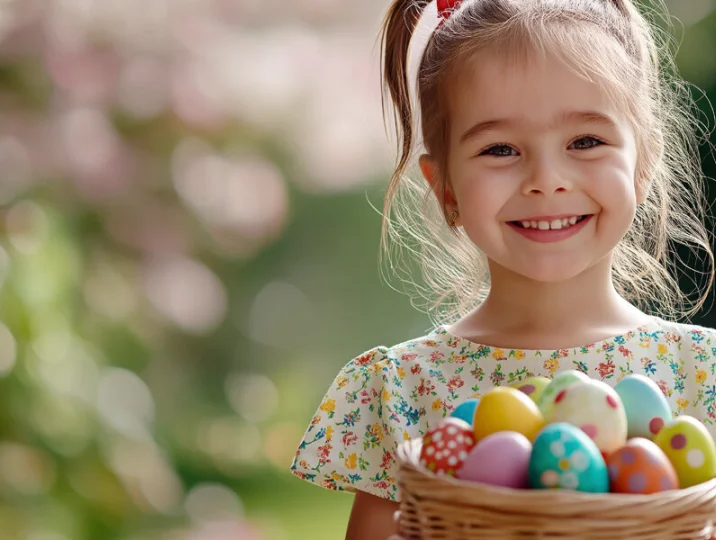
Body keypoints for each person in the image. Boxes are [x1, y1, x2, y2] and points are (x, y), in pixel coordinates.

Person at [290, 0, 716, 538]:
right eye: (500, 148)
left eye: (586, 141)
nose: (547, 179)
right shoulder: (399, 392)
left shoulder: (704, 375)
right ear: (445, 187)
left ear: (643, 163)